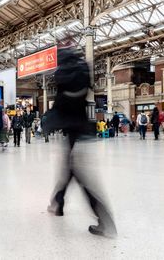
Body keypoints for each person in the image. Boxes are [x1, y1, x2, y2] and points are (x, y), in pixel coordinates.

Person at [43, 45, 117, 237]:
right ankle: (57, 204)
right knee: (69, 170)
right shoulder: (82, 72)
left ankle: (106, 223)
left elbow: (60, 105)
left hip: (71, 131)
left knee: (81, 177)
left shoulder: (63, 76)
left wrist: (50, 120)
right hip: (84, 130)